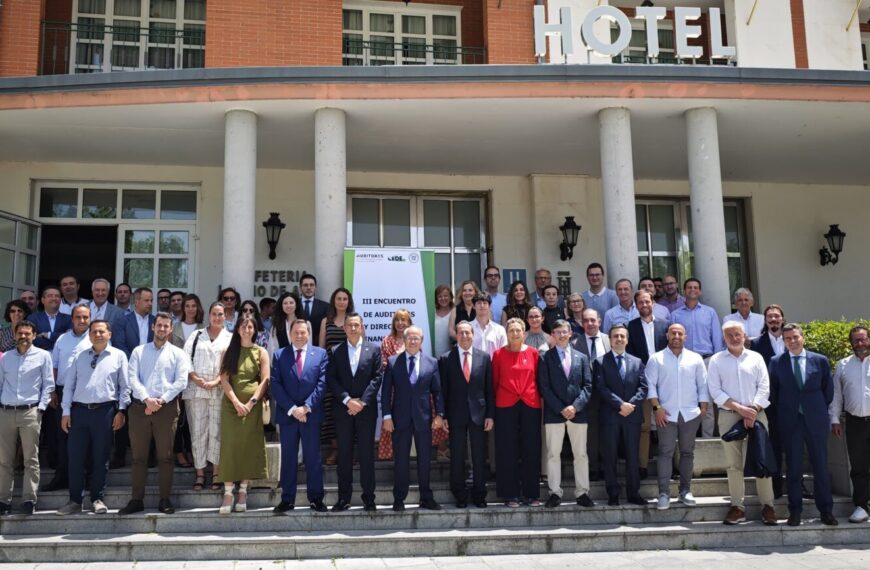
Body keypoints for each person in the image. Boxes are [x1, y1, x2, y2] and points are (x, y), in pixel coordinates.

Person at [55, 319, 129, 516]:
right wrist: (66, 412)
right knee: (76, 458)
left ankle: (97, 498)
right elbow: (69, 386)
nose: (98, 334)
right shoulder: (80, 357)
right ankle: (74, 500)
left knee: (100, 457)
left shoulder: (119, 356)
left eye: (101, 331)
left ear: (109, 334)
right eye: (94, 331)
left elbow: (124, 387)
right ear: (89, 335)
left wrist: (121, 411)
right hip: (79, 412)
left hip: (105, 412)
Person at [707, 321, 778, 526]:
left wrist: (753, 410)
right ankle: (737, 507)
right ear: (724, 338)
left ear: (744, 335)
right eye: (729, 335)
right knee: (733, 464)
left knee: (762, 460)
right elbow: (715, 391)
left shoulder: (756, 358)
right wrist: (741, 409)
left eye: (737, 334)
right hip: (729, 415)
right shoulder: (717, 360)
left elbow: (765, 386)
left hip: (757, 414)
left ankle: (768, 506)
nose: (734, 338)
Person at [119, 312, 189, 515]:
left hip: (166, 409)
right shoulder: (139, 352)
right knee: (139, 457)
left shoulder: (178, 354)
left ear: (170, 329)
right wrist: (147, 399)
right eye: (159, 325)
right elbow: (132, 379)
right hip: (141, 408)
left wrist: (162, 400)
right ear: (153, 327)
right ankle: (136, 500)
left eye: (166, 326)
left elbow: (181, 381)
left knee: (165, 457)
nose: (162, 329)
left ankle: (165, 500)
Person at [769, 323, 836, 527]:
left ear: (802, 337)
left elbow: (828, 391)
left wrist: (814, 409)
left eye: (795, 337)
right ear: (784, 341)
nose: (792, 341)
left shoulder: (820, 360)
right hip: (791, 422)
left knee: (821, 466)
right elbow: (774, 392)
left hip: (815, 420)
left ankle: (826, 511)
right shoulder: (776, 362)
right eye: (787, 338)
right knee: (794, 467)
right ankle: (795, 511)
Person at [381, 325, 444, 511]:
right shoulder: (393, 362)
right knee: (401, 459)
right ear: (404, 340)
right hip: (399, 418)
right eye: (410, 338)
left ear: (421, 341)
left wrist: (440, 414)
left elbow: (437, 392)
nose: (413, 341)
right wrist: (386, 416)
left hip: (423, 418)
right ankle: (399, 498)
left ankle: (426, 497)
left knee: (425, 459)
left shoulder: (432, 363)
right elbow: (385, 393)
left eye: (417, 338)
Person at [646, 323, 708, 510]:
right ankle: (663, 493)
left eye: (680, 333)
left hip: (690, 414)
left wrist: (703, 408)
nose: (676, 336)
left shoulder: (695, 359)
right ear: (667, 335)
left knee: (688, 453)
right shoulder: (656, 359)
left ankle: (685, 491)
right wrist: (657, 408)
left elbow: (702, 385)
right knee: (665, 453)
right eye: (673, 333)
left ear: (685, 337)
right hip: (666, 414)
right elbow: (651, 386)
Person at [327, 313, 383, 512]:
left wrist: (362, 402)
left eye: (356, 325)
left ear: (362, 327)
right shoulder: (335, 351)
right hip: (343, 411)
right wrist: (348, 400)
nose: (352, 328)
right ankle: (344, 498)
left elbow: (377, 378)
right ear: (344, 328)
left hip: (366, 411)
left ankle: (369, 498)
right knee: (344, 455)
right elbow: (331, 379)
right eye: (349, 325)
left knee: (367, 454)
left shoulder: (374, 349)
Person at [272, 319, 328, 514]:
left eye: (303, 332)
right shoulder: (279, 355)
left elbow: (322, 384)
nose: (299, 335)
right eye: (296, 332)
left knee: (313, 458)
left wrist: (306, 408)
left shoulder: (320, 354)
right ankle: (287, 499)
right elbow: (276, 384)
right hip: (288, 416)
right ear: (290, 333)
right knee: (288, 459)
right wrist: (293, 409)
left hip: (310, 415)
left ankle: (316, 498)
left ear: (308, 333)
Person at [538, 319, 594, 508]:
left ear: (570, 334)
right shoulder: (545, 357)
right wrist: (561, 408)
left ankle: (582, 493)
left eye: (564, 332)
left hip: (578, 413)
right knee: (553, 454)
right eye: (557, 332)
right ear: (552, 335)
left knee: (581, 454)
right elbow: (544, 387)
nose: (561, 335)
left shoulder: (582, 358)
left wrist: (575, 407)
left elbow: (588, 386)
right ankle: (555, 492)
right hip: (555, 413)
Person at [218, 315, 270, 515]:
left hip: (253, 406)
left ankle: (243, 491)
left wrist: (251, 402)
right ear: (238, 329)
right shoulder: (228, 351)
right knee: (230, 446)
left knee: (249, 445)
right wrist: (237, 402)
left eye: (250, 327)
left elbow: (265, 380)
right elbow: (224, 380)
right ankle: (228, 492)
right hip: (231, 406)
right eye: (243, 326)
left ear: (255, 330)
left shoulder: (261, 352)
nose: (247, 330)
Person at [0, 320, 54, 515]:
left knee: (31, 459)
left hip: (30, 412)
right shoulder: (6, 357)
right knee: (4, 460)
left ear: (33, 335)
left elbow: (48, 384)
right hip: (5, 412)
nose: (23, 337)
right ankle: (3, 500)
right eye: (20, 333)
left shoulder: (43, 356)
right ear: (14, 336)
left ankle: (29, 500)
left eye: (27, 333)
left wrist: (40, 408)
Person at [439, 320, 493, 508]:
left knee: (479, 456)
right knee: (457, 456)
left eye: (467, 333)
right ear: (456, 335)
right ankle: (459, 495)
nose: (464, 336)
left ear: (473, 335)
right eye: (460, 333)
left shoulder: (484, 357)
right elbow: (442, 390)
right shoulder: (446, 358)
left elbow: (489, 389)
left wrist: (490, 415)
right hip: (455, 414)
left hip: (479, 414)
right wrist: (442, 415)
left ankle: (479, 494)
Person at [595, 324, 648, 506]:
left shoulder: (637, 361)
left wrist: (630, 405)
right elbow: (601, 388)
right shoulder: (600, 362)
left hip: (631, 417)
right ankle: (613, 493)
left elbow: (643, 387)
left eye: (622, 336)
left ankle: (634, 493)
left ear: (627, 340)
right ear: (610, 340)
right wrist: (620, 404)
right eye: (615, 336)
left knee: (632, 456)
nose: (619, 339)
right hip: (610, 416)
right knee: (610, 456)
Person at [492, 318, 542, 507]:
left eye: (518, 330)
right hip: (505, 405)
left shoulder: (534, 353)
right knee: (507, 450)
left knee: (531, 448)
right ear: (507, 333)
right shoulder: (498, 354)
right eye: (511, 330)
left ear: (524, 333)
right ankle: (510, 494)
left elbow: (537, 379)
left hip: (530, 404)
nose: (515, 333)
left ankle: (532, 493)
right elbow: (495, 381)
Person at [42, 303, 91, 492]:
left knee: (86, 438)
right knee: (63, 436)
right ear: (72, 319)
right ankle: (61, 477)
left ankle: (86, 478)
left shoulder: (96, 337)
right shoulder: (62, 339)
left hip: (85, 394)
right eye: (78, 317)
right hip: (62, 393)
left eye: (85, 317)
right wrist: (53, 391)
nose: (82, 320)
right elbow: (53, 366)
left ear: (90, 318)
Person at [184, 301, 232, 492]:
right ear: (209, 315)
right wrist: (195, 378)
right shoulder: (196, 335)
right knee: (198, 432)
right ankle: (200, 474)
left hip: (219, 390)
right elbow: (185, 360)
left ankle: (217, 473)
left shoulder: (230, 337)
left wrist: (216, 381)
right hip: (195, 390)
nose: (217, 317)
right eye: (214, 313)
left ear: (225, 316)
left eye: (221, 314)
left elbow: (231, 363)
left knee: (217, 431)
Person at [670, 278, 723, 437]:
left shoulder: (710, 312)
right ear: (684, 291)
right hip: (684, 360)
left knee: (706, 400)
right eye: (689, 287)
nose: (692, 290)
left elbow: (717, 338)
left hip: (707, 360)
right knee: (686, 400)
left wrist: (716, 360)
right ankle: (688, 438)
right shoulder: (675, 315)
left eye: (695, 287)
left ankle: (707, 438)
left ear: (699, 291)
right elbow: (672, 340)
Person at [626, 291, 668, 479]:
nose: (644, 304)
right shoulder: (630, 327)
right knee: (644, 427)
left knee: (667, 423)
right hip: (642, 382)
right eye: (640, 302)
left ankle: (668, 466)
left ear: (653, 303)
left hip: (665, 381)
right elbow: (631, 357)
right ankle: (642, 466)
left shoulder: (665, 326)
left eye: (647, 301)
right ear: (636, 305)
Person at [830, 325, 870, 524]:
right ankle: (862, 506)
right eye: (856, 340)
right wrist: (835, 419)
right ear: (851, 343)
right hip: (854, 422)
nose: (860, 344)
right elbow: (836, 395)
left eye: (863, 339)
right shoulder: (843, 365)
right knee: (859, 466)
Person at [750, 304, 787, 497]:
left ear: (782, 318)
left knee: (793, 444)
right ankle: (777, 484)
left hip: (791, 401)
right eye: (770, 317)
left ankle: (798, 484)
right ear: (765, 320)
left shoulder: (792, 339)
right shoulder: (757, 344)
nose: (773, 320)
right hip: (770, 402)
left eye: (776, 316)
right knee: (774, 444)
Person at [570, 307, 610, 480]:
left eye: (593, 320)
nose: (590, 323)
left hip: (609, 394)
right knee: (591, 433)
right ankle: (593, 467)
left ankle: (609, 465)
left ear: (599, 322)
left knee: (609, 431)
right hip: (587, 395)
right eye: (586, 320)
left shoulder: (610, 340)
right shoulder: (574, 343)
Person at [319, 288, 354, 465]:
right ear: (334, 301)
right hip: (331, 374)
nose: (341, 302)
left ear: (349, 301)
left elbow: (361, 346)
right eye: (338, 299)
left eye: (344, 299)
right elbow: (321, 349)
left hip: (351, 374)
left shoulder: (354, 321)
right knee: (330, 412)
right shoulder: (326, 321)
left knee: (350, 412)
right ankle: (336, 449)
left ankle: (350, 451)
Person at [170, 294, 205, 470]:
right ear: (183, 308)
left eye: (193, 305)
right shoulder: (174, 328)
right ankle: (178, 452)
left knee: (192, 418)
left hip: (196, 378)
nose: (190, 309)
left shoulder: (203, 329)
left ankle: (190, 450)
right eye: (187, 306)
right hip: (176, 378)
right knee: (178, 417)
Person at [114, 287, 156, 358]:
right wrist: (132, 361)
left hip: (151, 363)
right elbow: (119, 344)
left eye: (151, 300)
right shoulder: (123, 320)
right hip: (129, 363)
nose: (150, 303)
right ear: (136, 302)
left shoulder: (155, 321)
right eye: (146, 300)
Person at [31, 285, 72, 351]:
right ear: (43, 300)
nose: (54, 298)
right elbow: (31, 338)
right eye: (50, 296)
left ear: (60, 300)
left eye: (57, 296)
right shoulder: (33, 318)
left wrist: (49, 335)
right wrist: (60, 336)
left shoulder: (68, 318)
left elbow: (70, 337)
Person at [268, 291, 305, 357]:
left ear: (296, 305)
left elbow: (309, 345)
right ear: (281, 306)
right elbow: (272, 348)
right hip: (282, 363)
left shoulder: (305, 324)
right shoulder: (276, 326)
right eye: (285, 303)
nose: (288, 306)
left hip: (301, 362)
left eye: (291, 303)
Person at [470, 293, 507, 357]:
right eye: (479, 303)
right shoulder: (468, 328)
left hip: (494, 365)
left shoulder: (499, 329)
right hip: (473, 366)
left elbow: (504, 353)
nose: (482, 305)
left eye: (485, 303)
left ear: (490, 306)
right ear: (473, 306)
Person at [299, 273, 330, 343]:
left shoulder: (326, 306)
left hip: (318, 345)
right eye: (305, 285)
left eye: (311, 285)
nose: (309, 287)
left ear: (315, 287)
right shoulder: (294, 305)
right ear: (300, 287)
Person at [433, 284, 454, 357]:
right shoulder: (432, 312)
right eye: (440, 296)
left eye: (446, 296)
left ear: (450, 297)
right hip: (433, 353)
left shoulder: (455, 312)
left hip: (450, 354)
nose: (443, 298)